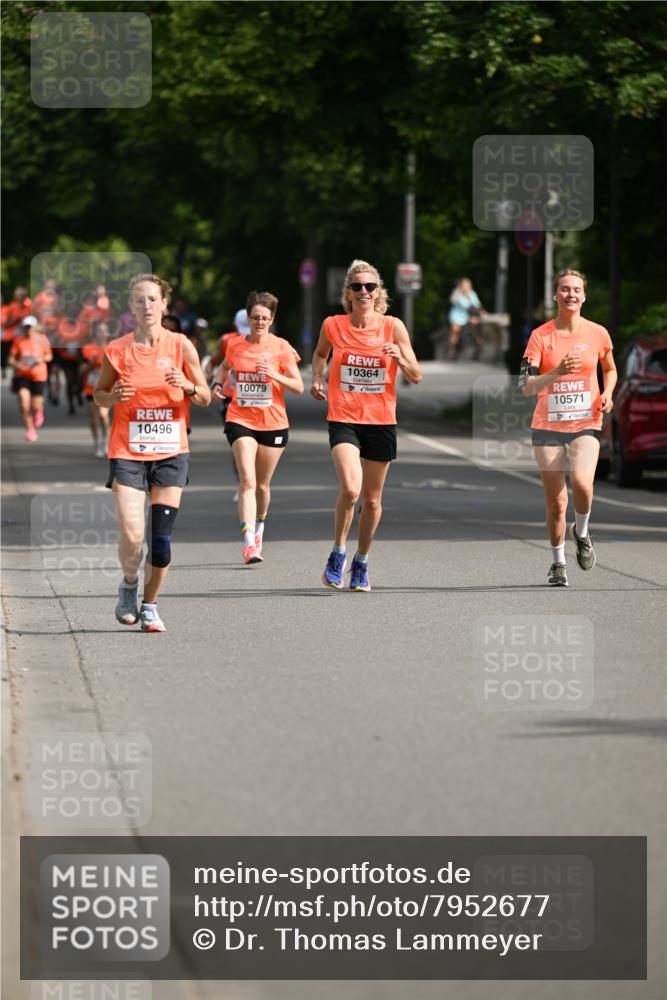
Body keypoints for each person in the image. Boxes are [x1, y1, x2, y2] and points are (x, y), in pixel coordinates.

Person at [93, 273, 211, 632]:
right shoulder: (117, 350)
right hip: (128, 451)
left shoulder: (181, 346)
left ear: (164, 304)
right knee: (132, 535)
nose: (146, 306)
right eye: (139, 300)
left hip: (171, 452)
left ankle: (150, 605)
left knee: (159, 541)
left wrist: (187, 385)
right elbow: (99, 394)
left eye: (152, 299)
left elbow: (205, 397)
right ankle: (129, 585)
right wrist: (113, 397)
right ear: (131, 306)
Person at [310, 259, 422, 591]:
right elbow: (320, 354)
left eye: (370, 286)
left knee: (372, 501)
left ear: (378, 292)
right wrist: (317, 377)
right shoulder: (333, 325)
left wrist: (399, 357)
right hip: (343, 417)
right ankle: (338, 553)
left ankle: (361, 561)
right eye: (357, 286)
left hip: (381, 420)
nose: (363, 291)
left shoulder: (393, 327)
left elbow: (416, 375)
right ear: (348, 292)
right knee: (350, 489)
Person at [519, 269, 617, 587]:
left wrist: (608, 393)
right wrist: (557, 371)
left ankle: (582, 532)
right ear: (555, 295)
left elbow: (610, 369)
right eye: (564, 289)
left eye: (576, 289)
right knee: (557, 502)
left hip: (585, 422)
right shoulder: (541, 336)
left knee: (583, 485)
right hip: (547, 426)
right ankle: (558, 563)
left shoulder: (597, 333)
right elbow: (526, 386)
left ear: (584, 296)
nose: (570, 294)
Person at [212, 291, 303, 564]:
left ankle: (260, 526)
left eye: (264, 318)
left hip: (273, 422)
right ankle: (249, 542)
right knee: (247, 481)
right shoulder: (235, 345)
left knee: (262, 486)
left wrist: (273, 374)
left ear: (272, 319)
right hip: (240, 418)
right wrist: (218, 384)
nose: (259, 322)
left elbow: (298, 387)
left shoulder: (282, 347)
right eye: (255, 318)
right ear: (248, 318)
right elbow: (224, 367)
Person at [206, 308, 251, 501]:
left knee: (258, 446)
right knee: (239, 445)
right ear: (235, 325)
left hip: (260, 401)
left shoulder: (269, 341)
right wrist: (211, 377)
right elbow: (214, 362)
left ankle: (255, 483)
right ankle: (243, 483)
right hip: (232, 398)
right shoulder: (227, 340)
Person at [8, 316, 53, 441]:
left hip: (38, 375)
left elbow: (49, 356)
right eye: (26, 327)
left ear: (34, 328)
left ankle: (39, 412)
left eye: (30, 327)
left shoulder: (42, 339)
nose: (28, 329)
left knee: (36, 405)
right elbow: (11, 359)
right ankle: (30, 430)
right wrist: (16, 364)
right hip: (22, 375)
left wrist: (40, 359)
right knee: (24, 403)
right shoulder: (19, 341)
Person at [80, 320, 111, 456]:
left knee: (103, 415)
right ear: (94, 333)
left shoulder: (113, 348)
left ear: (108, 332)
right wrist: (90, 364)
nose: (102, 333)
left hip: (107, 388)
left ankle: (106, 441)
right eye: (99, 331)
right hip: (91, 388)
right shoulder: (87, 349)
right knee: (93, 419)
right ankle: (97, 442)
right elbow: (81, 370)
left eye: (104, 330)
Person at [448, 277, 484, 360]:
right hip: (456, 315)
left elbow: (477, 305)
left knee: (476, 326)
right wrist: (459, 292)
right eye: (465, 285)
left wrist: (482, 312)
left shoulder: (472, 293)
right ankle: (452, 350)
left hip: (468, 315)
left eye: (468, 285)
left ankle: (477, 350)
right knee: (455, 331)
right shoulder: (457, 291)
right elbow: (452, 300)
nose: (467, 287)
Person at [2, 287, 33, 378]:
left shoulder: (30, 306)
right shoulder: (12, 307)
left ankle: (21, 374)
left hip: (26, 337)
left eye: (22, 295)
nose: (20, 297)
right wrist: (14, 319)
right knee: (9, 356)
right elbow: (5, 323)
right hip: (13, 337)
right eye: (18, 295)